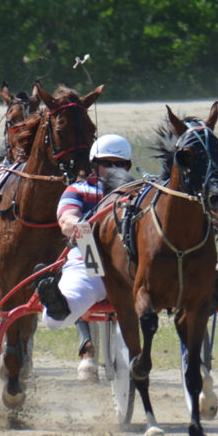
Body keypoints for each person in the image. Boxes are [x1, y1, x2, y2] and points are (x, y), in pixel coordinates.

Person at [35, 134, 133, 382]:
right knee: (56, 320)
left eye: (120, 164)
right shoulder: (78, 190)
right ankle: (57, 304)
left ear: (128, 166)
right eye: (107, 163)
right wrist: (83, 226)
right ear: (94, 164)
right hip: (89, 262)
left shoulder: (136, 193)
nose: (113, 169)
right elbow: (66, 220)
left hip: (130, 270)